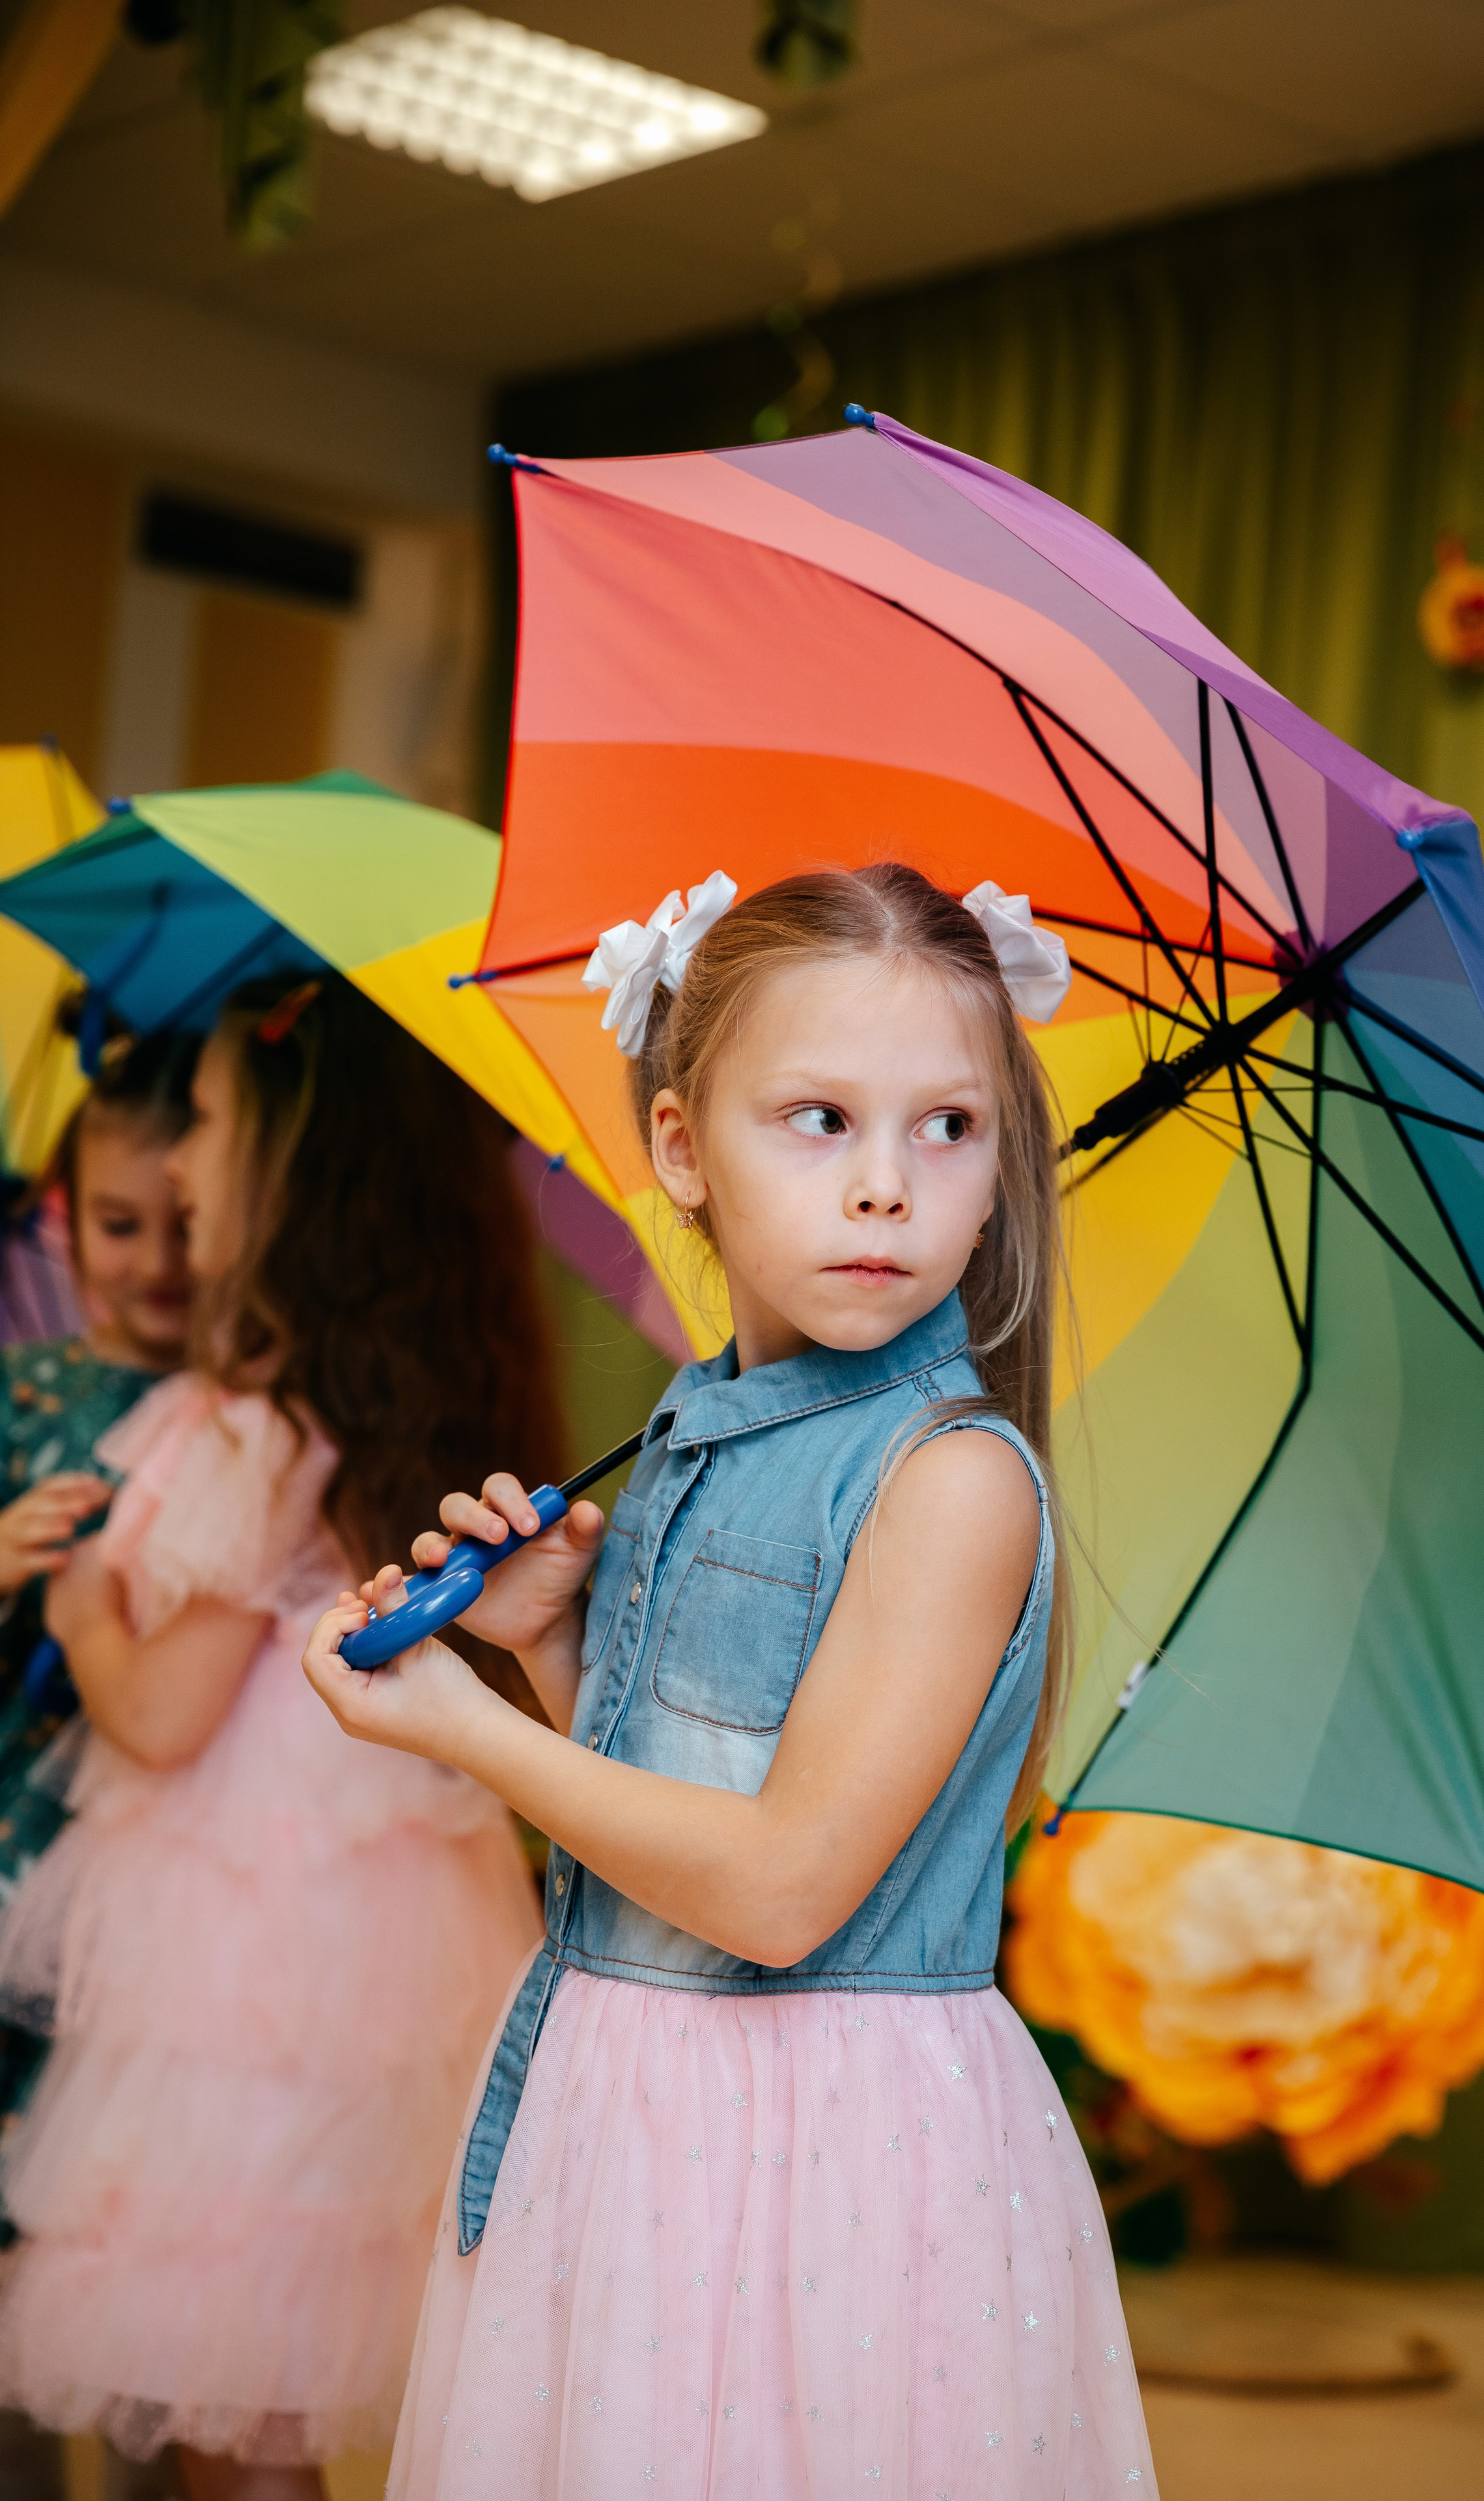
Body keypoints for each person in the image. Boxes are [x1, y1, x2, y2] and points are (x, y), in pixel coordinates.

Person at [306, 864, 1159, 2498]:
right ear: (684, 1148)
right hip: (625, 2111)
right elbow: (686, 1826)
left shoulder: (946, 1480)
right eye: (819, 1120)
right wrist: (559, 1648)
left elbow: (774, 1892)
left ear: (1000, 1169)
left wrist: (466, 1731)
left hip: (827, 2148)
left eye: (947, 1129)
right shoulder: (698, 1430)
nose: (884, 1192)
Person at [0, 976, 556, 2500]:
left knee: (225, 2399)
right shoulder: (392, 1406)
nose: (175, 1170)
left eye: (210, 1131)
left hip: (248, 1965)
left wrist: (74, 1614)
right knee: (262, 2393)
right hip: (367, 1941)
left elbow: (162, 1717)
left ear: (293, 1179)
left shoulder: (254, 1422)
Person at [0, 1031, 199, 2501]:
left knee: (134, 2251)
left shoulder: (238, 1418)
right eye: (122, 1228)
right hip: (19, 1862)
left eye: (187, 1225)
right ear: (64, 1216)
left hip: (161, 1881)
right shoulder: (25, 1399)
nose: (158, 1264)